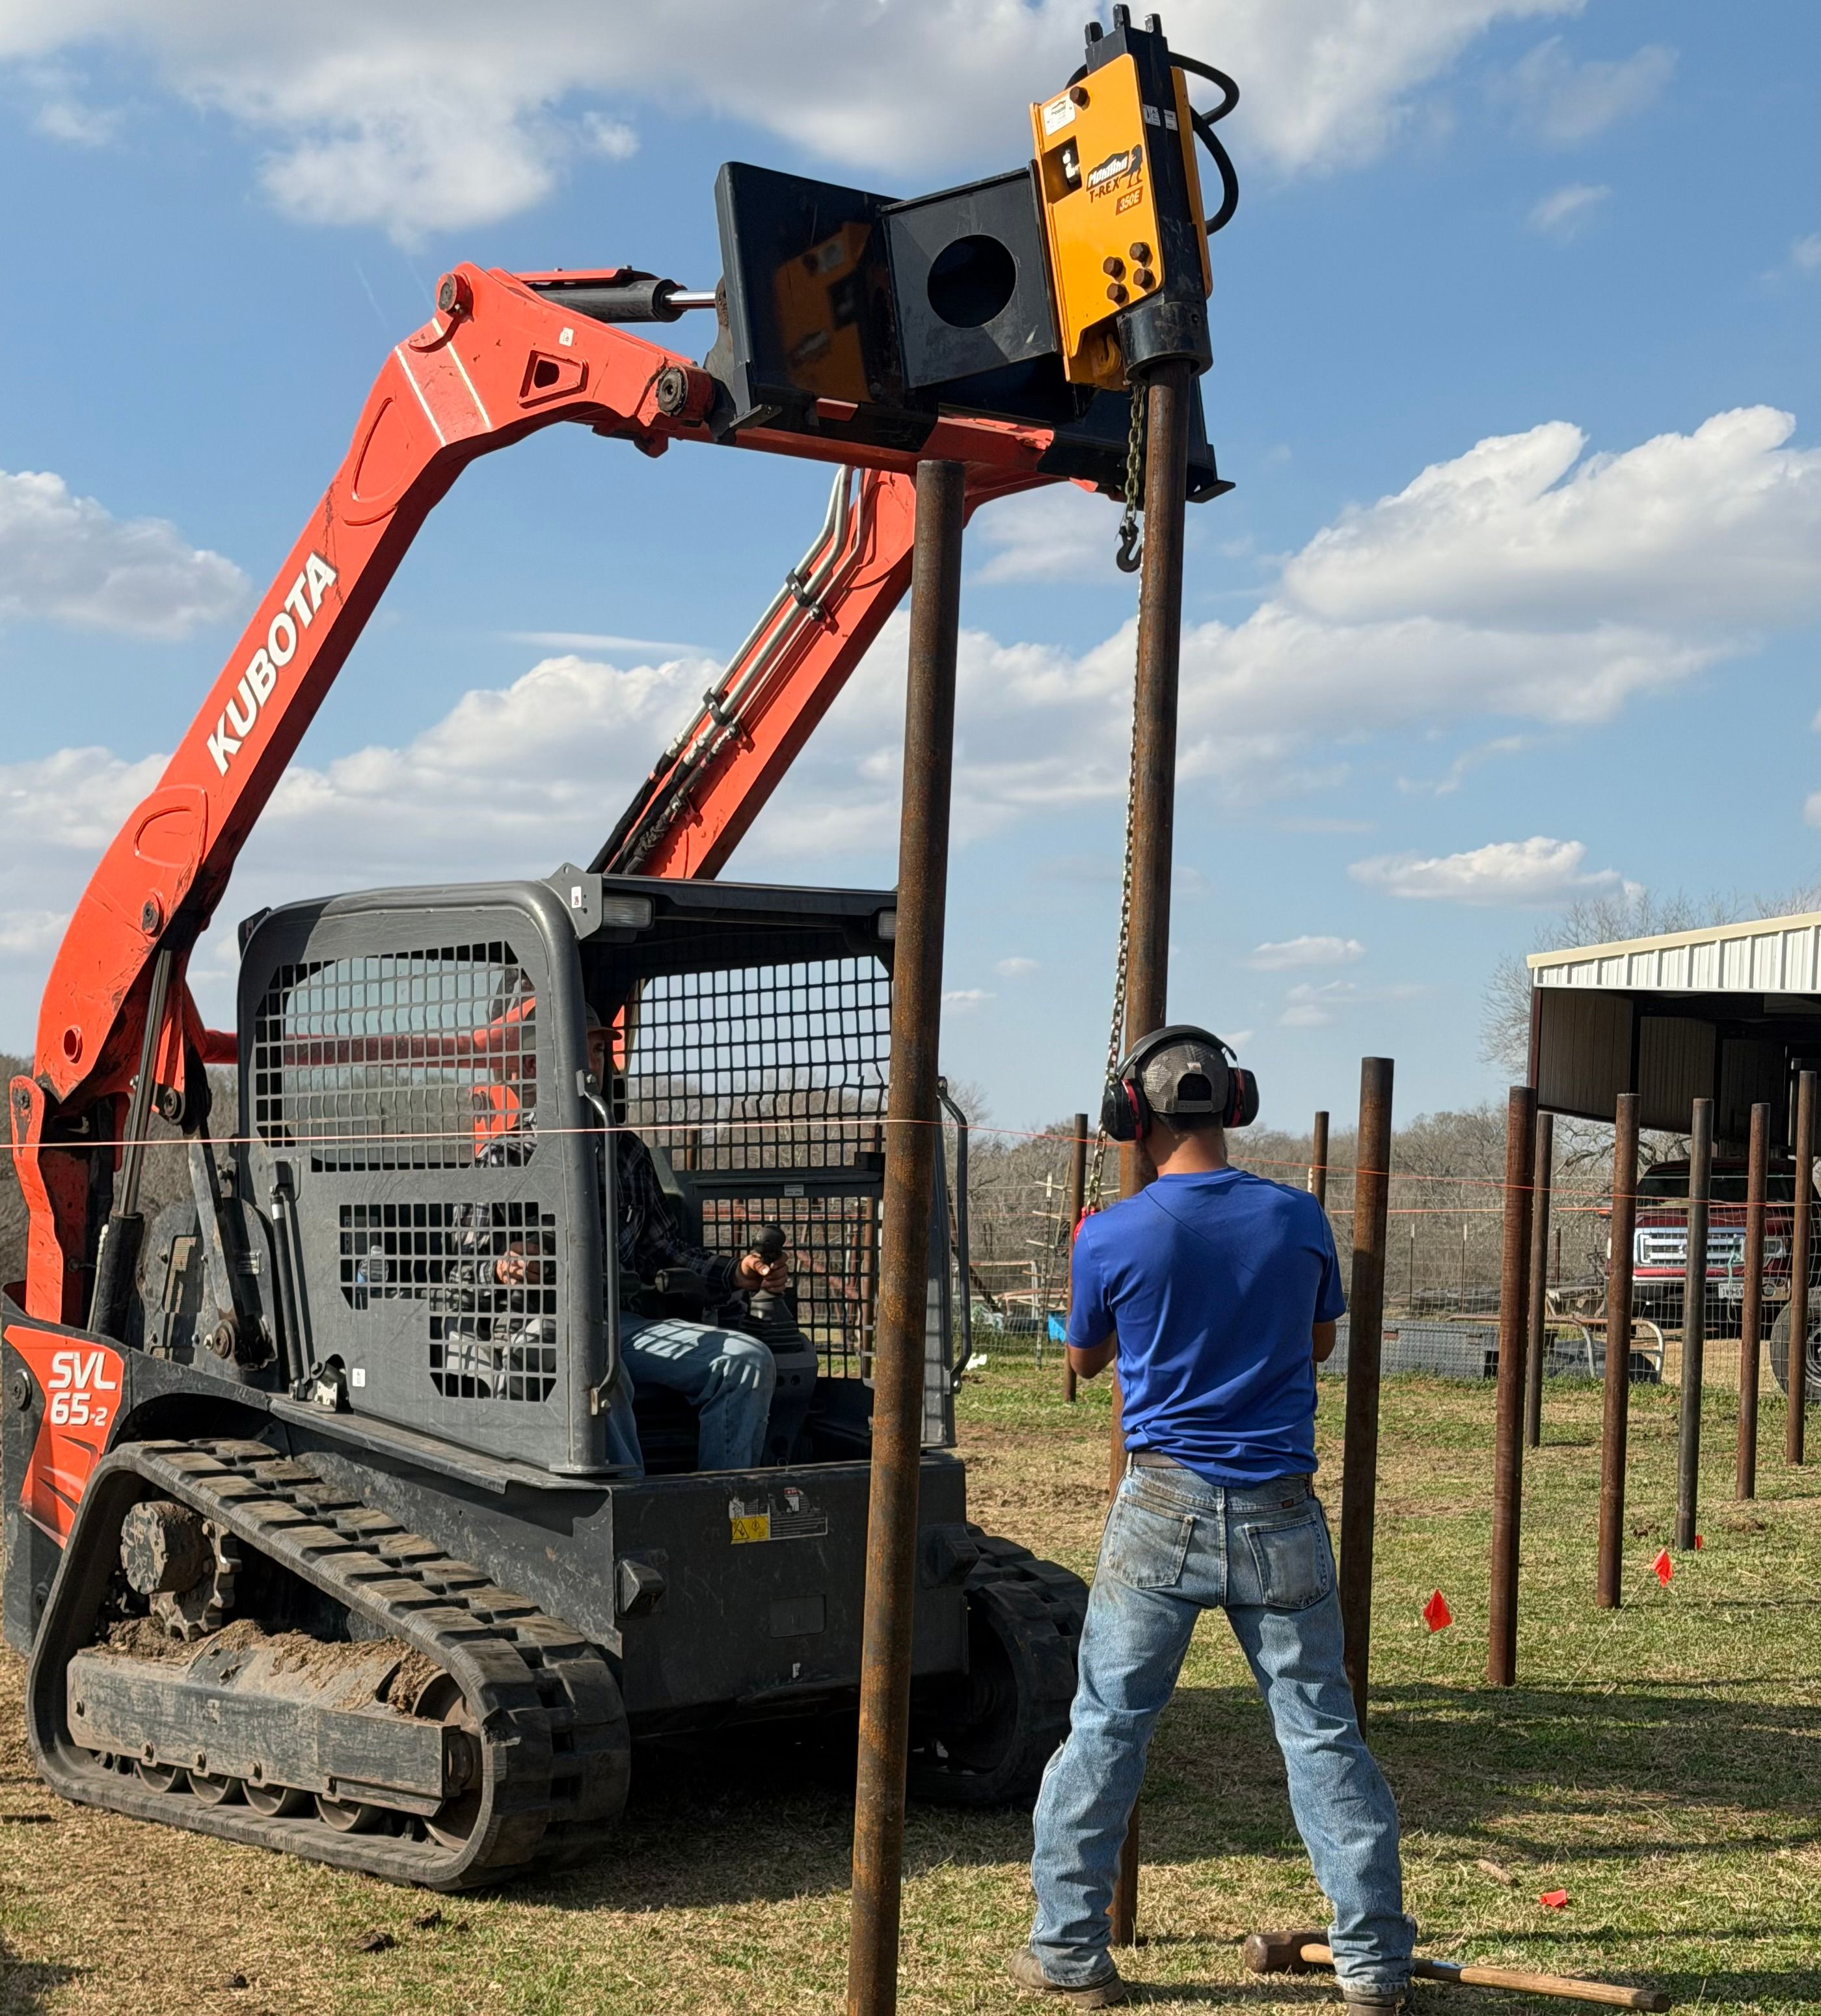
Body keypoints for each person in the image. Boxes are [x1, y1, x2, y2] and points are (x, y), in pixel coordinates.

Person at [1010, 1027, 1412, 2011]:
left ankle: (1068, 1948)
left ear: (1129, 1118)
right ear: (1233, 1103)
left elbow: (1084, 1362)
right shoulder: (1298, 1217)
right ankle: (1369, 1961)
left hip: (1160, 1504)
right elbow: (1315, 1340)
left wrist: (1096, 1271)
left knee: (1106, 1728)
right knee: (1322, 1737)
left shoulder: (1110, 1232)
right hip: (1280, 1509)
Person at [476, 996, 785, 1475]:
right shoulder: (503, 1158)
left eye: (599, 1053)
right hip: (535, 1327)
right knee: (599, 1368)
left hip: (620, 1323)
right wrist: (500, 1266)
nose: (594, 1064)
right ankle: (631, 1506)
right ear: (535, 1066)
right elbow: (453, 1265)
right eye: (581, 1051)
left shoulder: (624, 1152)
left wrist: (734, 1274)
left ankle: (724, 1504)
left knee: (746, 1360)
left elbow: (662, 1250)